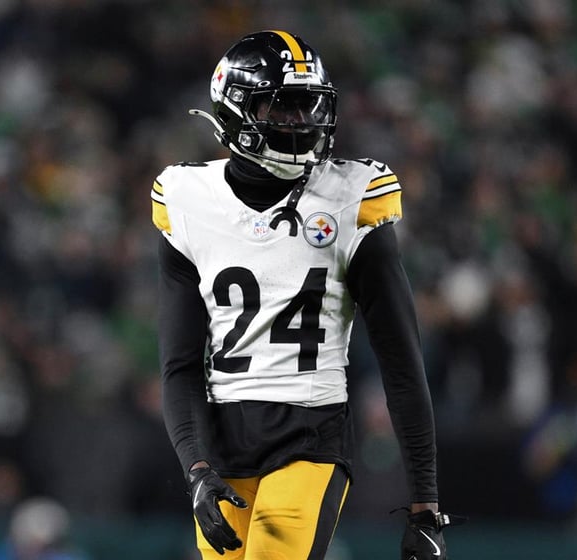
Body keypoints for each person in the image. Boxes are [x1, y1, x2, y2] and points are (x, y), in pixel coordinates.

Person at [151, 30, 461, 559]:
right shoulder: (187, 200)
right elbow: (179, 364)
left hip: (309, 434)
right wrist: (196, 469)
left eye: (308, 106)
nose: (301, 123)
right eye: (283, 107)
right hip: (222, 440)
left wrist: (426, 505)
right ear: (235, 112)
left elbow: (401, 361)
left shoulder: (349, 198)